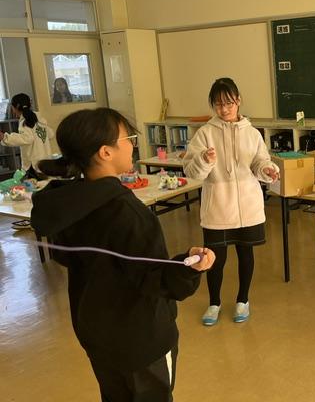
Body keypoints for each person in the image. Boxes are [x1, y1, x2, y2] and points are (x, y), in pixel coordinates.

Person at [30, 107, 214, 402]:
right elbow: (158, 282)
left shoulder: (68, 205)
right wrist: (189, 266)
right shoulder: (129, 214)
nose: (132, 144)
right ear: (105, 152)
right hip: (141, 341)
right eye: (127, 139)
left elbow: (68, 258)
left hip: (98, 335)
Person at [183, 77, 279, 326]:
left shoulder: (252, 133)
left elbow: (260, 162)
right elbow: (191, 171)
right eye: (218, 104)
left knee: (246, 255)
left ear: (238, 101)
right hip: (218, 209)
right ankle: (213, 303)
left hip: (248, 207)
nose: (224, 109)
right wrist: (204, 160)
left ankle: (243, 300)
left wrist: (267, 170)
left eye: (228, 103)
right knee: (214, 259)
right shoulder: (205, 133)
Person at [0, 93, 53, 179]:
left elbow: (27, 139)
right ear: (30, 104)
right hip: (46, 159)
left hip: (34, 163)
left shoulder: (25, 122)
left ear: (16, 107)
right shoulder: (40, 120)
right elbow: (50, 134)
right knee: (46, 183)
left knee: (35, 184)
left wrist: (5, 138)